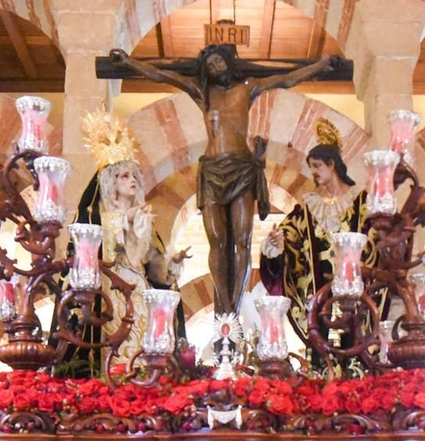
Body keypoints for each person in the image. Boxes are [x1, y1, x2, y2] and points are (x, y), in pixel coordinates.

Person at [108, 44, 342, 320]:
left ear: (230, 62)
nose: (215, 69)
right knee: (217, 242)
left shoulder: (248, 87)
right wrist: (130, 63)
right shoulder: (204, 93)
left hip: (242, 169)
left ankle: (234, 305)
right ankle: (225, 312)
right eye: (209, 67)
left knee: (242, 240)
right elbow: (162, 76)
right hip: (212, 171)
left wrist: (322, 64)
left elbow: (286, 79)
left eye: (218, 63)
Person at [60, 112, 187, 375]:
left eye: (134, 177)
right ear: (110, 182)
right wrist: (122, 221)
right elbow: (87, 244)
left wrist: (171, 263)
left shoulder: (144, 217)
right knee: (114, 342)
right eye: (124, 176)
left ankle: (140, 383)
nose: (132, 181)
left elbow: (153, 270)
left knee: (142, 346)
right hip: (110, 289)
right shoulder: (94, 216)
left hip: (139, 289)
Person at [258, 118, 367, 347]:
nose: (314, 173)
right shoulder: (308, 207)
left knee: (356, 344)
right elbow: (290, 237)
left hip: (357, 294)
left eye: (317, 166)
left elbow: (378, 240)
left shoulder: (361, 203)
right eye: (311, 168)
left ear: (333, 165)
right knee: (322, 345)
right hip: (317, 294)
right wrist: (275, 247)